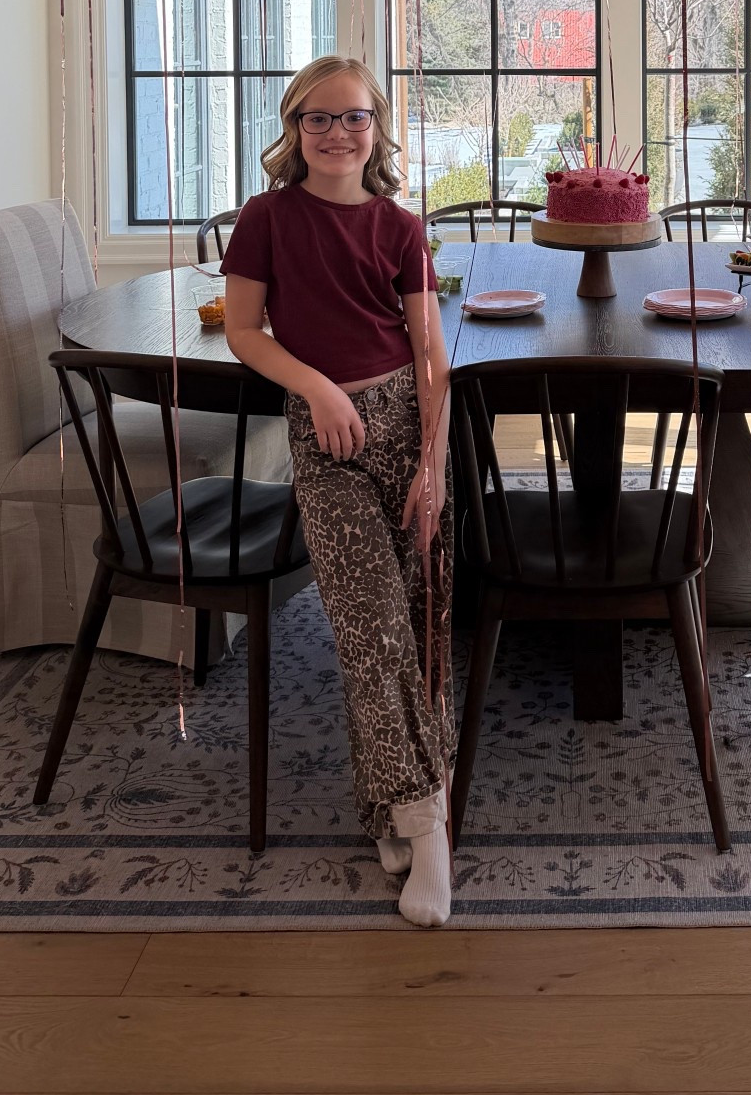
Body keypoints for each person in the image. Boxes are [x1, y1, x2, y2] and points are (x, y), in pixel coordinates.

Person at [222, 55, 454, 927]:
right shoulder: (266, 220)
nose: (336, 133)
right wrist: (317, 388)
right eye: (317, 119)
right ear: (294, 130)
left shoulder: (401, 227)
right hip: (327, 437)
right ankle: (431, 829)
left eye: (353, 117)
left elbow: (432, 354)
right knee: (371, 629)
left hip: (409, 426)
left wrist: (433, 465)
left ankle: (388, 808)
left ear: (376, 130)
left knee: (423, 619)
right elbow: (246, 331)